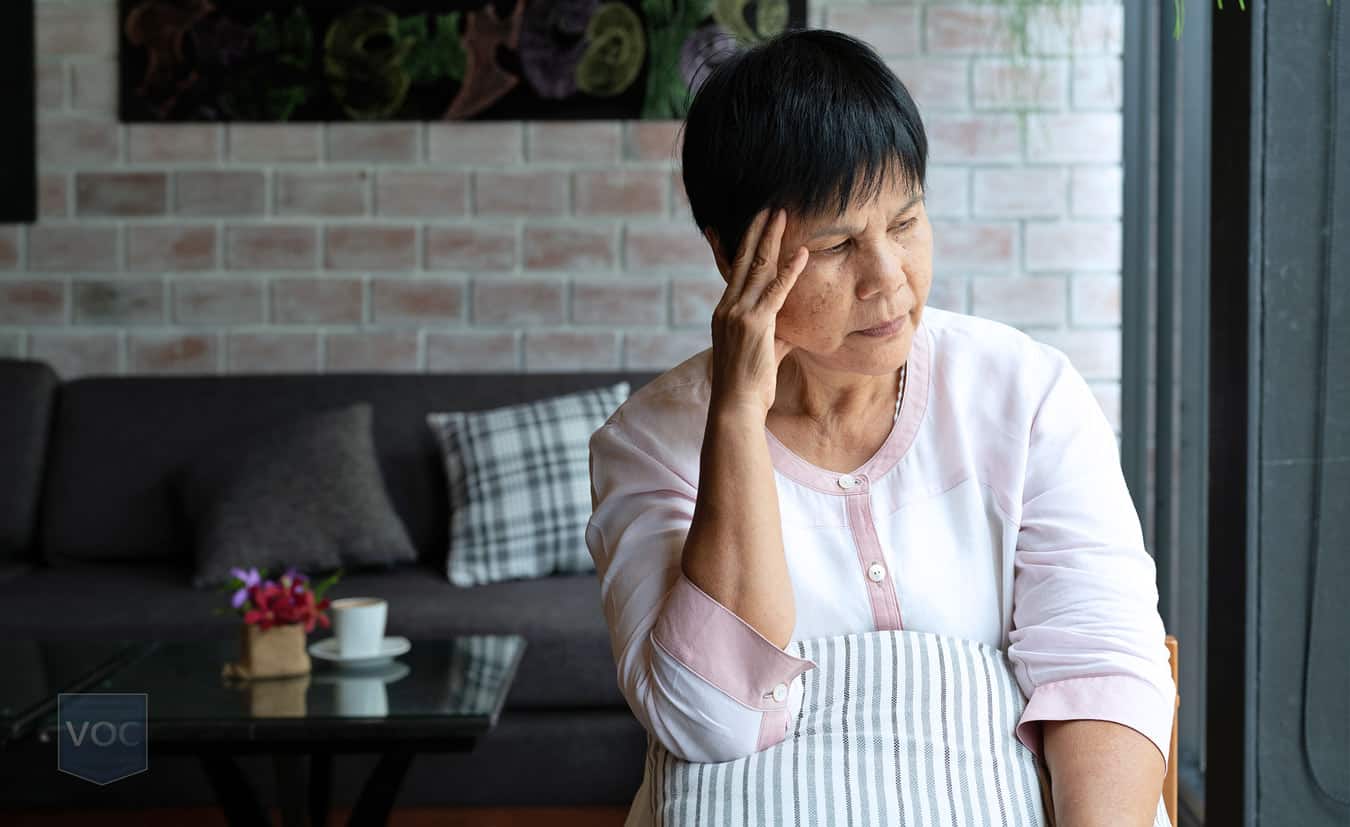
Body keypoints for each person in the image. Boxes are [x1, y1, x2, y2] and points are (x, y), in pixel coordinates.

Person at [586, 28, 1174, 826]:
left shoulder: (1027, 393)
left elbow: (1100, 666)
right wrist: (735, 418)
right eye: (836, 244)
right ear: (730, 256)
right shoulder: (648, 443)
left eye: (904, 223)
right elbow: (709, 717)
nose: (889, 280)